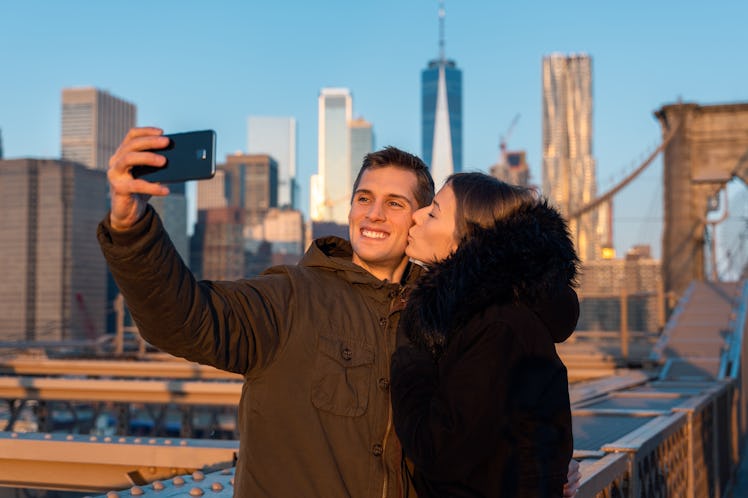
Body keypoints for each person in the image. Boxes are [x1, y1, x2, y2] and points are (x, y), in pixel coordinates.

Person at [98, 127, 580, 497]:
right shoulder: (288, 297)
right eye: (363, 199)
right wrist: (130, 222)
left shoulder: (455, 319)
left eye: (395, 203)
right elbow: (184, 320)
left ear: (420, 218)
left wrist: (545, 471)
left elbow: (500, 426)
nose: (373, 215)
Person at [390, 172, 580, 497]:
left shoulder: (498, 327)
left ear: (465, 240)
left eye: (434, 212)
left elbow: (438, 450)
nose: (417, 215)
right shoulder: (496, 317)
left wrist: (412, 345)